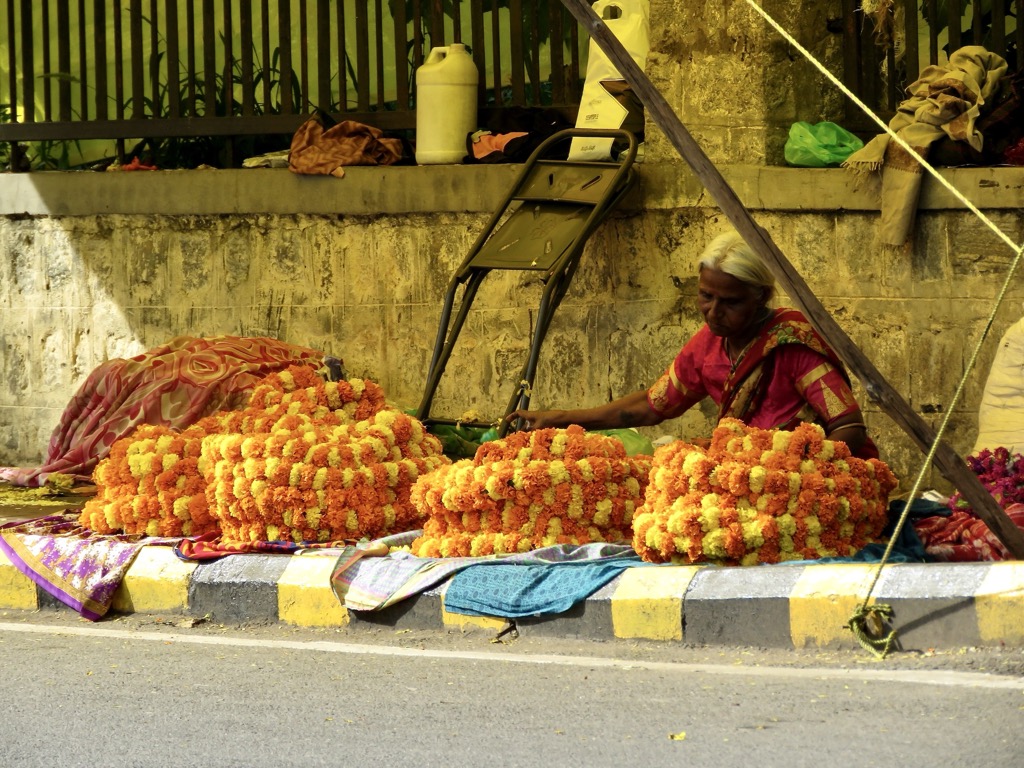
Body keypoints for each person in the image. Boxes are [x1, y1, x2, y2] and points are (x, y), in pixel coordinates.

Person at [509, 230, 878, 459]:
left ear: (760, 297)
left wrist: (796, 467)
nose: (713, 312)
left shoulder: (791, 341)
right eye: (705, 296)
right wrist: (556, 419)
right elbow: (650, 407)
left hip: (811, 476)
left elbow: (848, 426)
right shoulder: (708, 345)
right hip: (745, 472)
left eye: (730, 302)